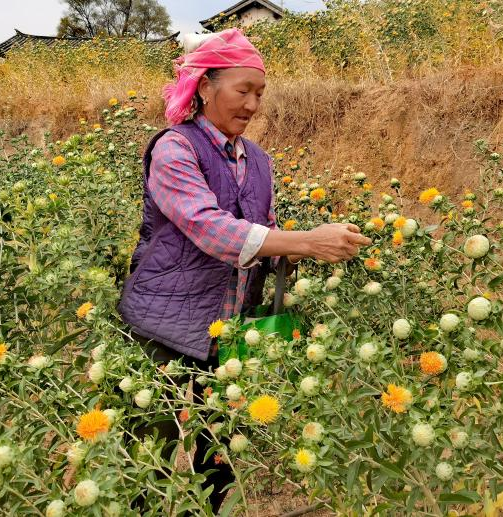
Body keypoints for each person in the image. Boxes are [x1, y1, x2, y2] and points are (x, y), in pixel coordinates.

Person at [118, 28, 370, 512]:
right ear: (204, 87)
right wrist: (307, 240)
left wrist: (320, 247)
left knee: (222, 450)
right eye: (243, 90)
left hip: (232, 330)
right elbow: (209, 228)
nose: (253, 105)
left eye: (260, 93)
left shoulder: (258, 160)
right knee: (148, 453)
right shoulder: (175, 149)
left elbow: (264, 234)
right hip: (164, 325)